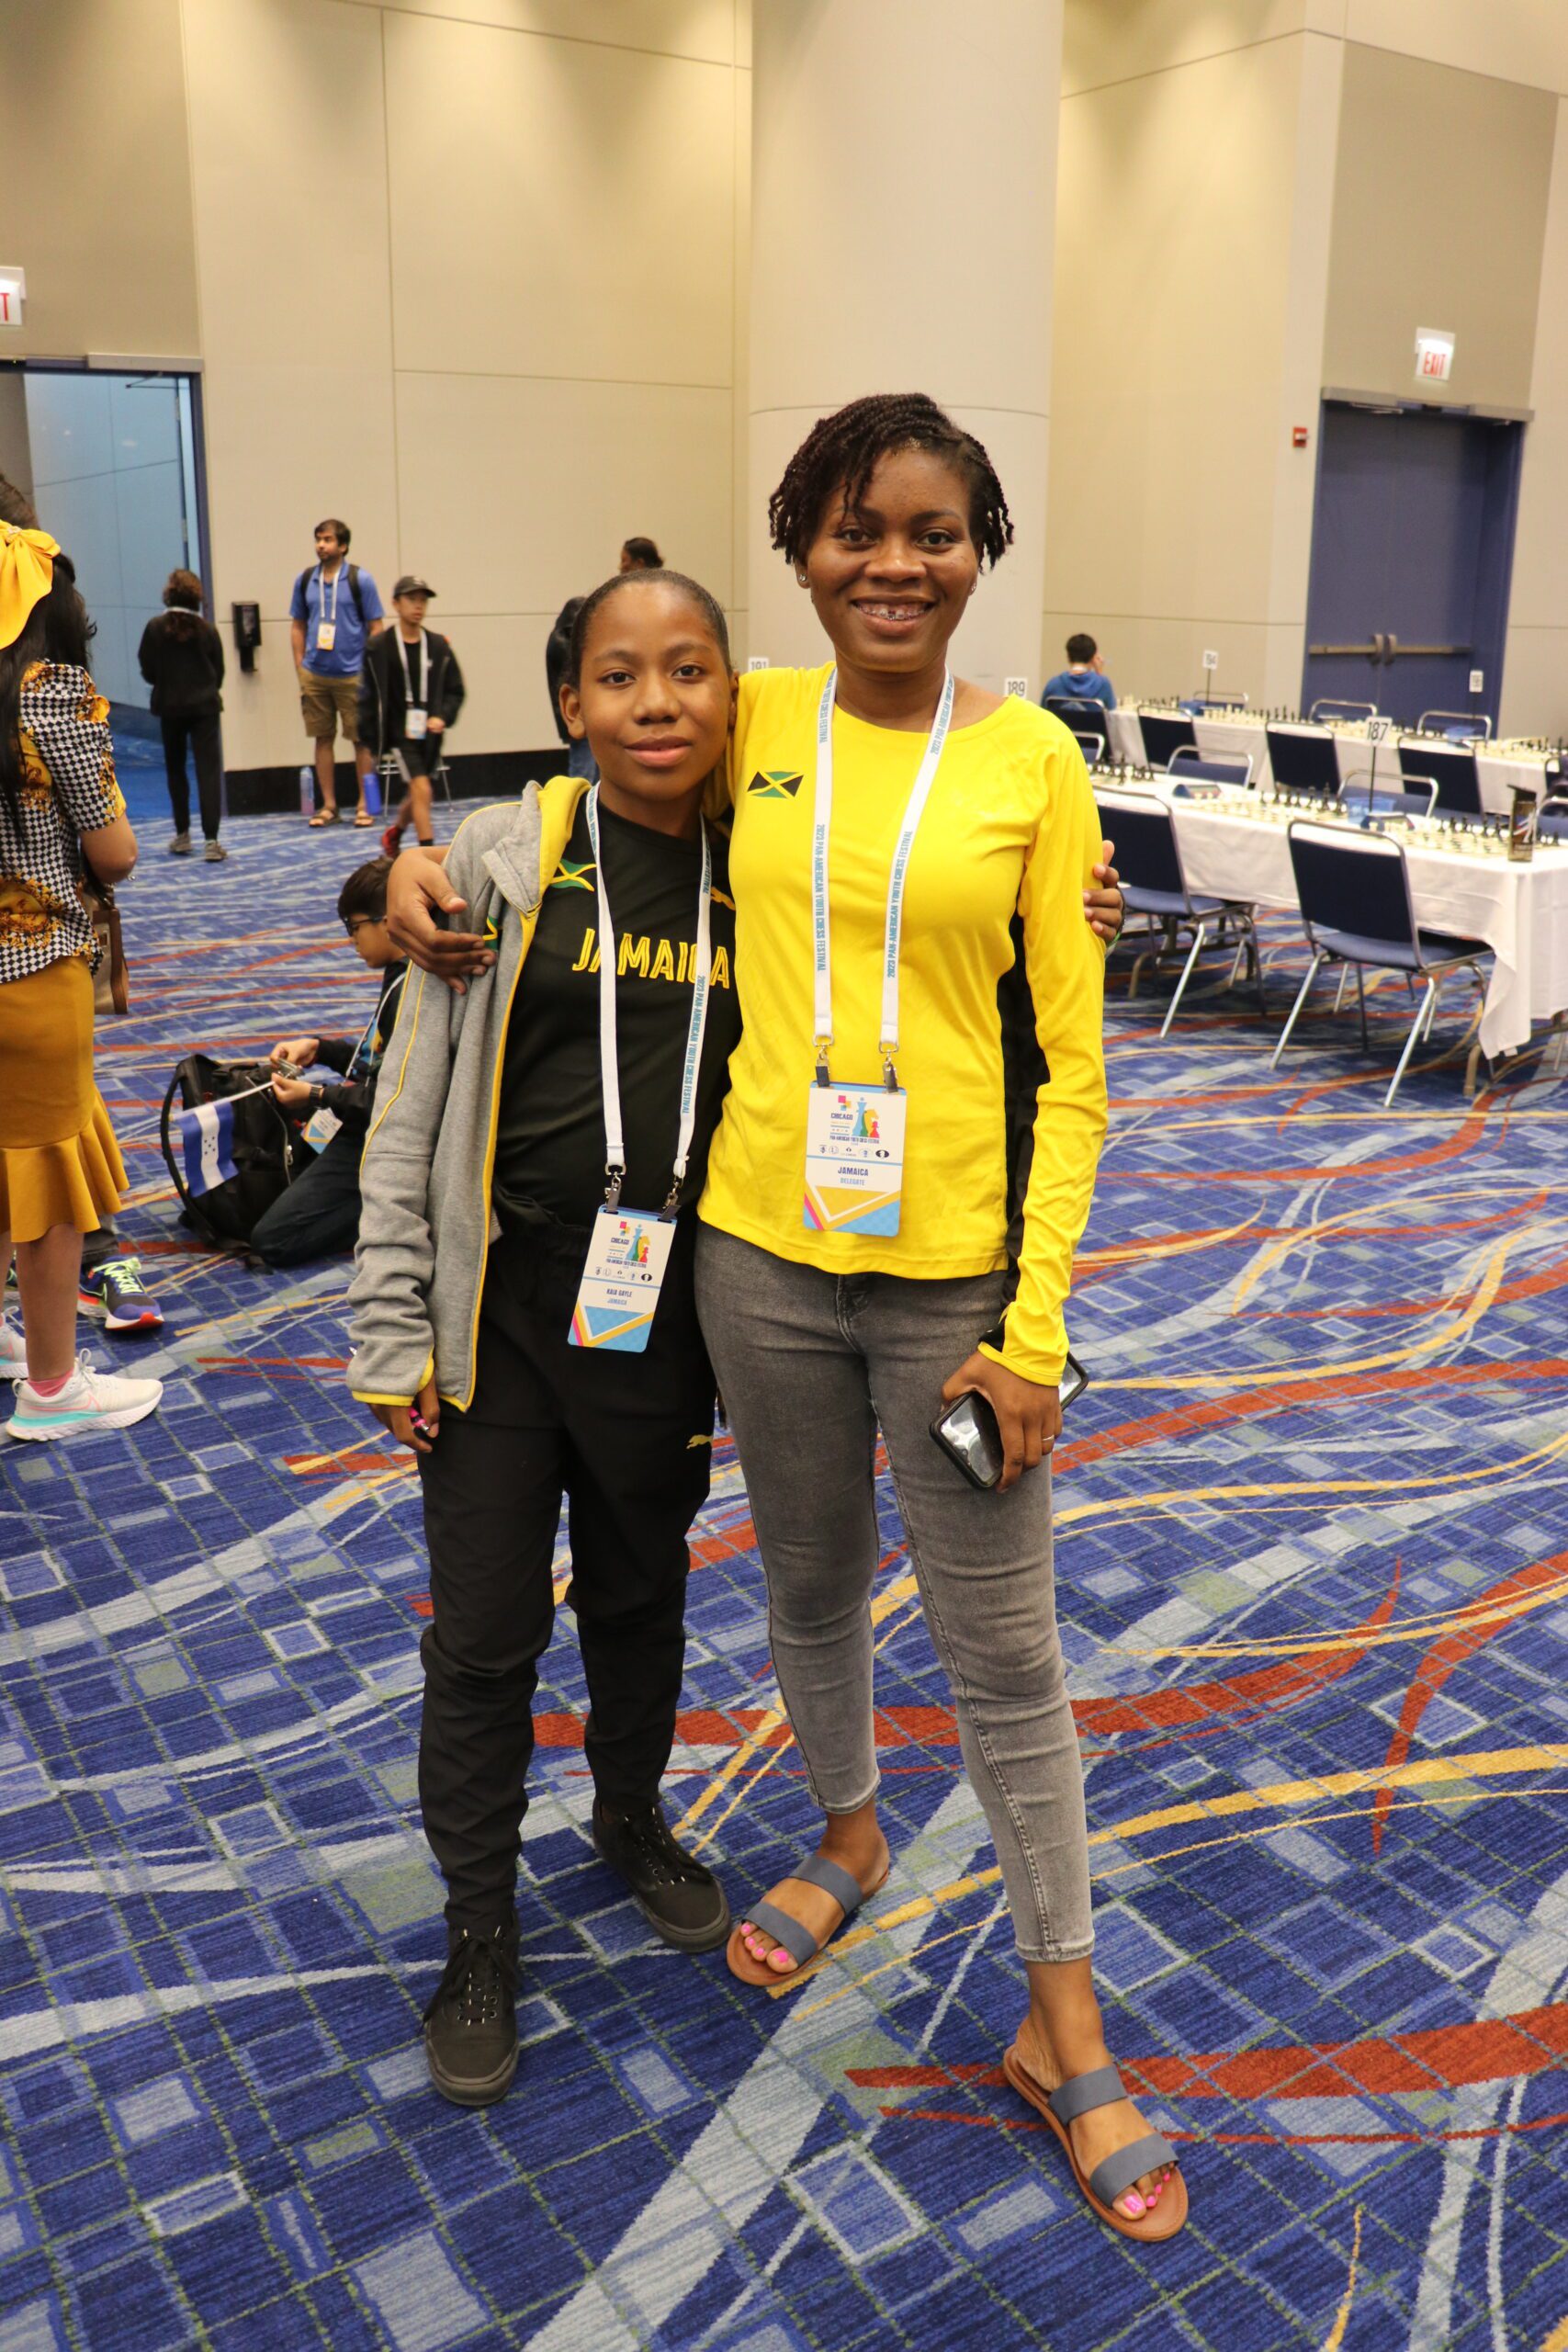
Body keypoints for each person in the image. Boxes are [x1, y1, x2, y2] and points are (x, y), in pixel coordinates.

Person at [346, 570, 745, 2108]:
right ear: (570, 703)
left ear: (730, 694)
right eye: (619, 676)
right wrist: (392, 1327)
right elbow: (413, 1112)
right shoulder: (506, 862)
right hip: (498, 1330)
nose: (657, 703)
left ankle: (627, 1814)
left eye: (689, 670)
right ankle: (476, 1926)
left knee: (643, 1605)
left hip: (660, 1335)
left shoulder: (760, 874)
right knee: (488, 1638)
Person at [0, 520, 163, 1439]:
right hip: (31, 969)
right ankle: (53, 1386)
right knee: (53, 1180)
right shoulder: (50, 696)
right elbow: (116, 853)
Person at [250, 858, 406, 1268]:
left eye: (354, 928)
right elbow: (378, 1061)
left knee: (274, 1239)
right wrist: (319, 1048)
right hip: (364, 1122)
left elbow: (396, 1100)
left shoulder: (415, 989)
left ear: (388, 921)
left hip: (384, 1139)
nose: (352, 940)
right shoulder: (401, 972)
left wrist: (315, 1095)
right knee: (284, 1171)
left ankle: (395, 1211)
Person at [289, 518, 385, 829]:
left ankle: (364, 805)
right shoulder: (305, 580)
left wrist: (371, 670)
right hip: (315, 674)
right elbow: (298, 626)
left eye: (328, 540)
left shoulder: (361, 581)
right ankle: (328, 805)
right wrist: (301, 668)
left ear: (342, 546)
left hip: (353, 674)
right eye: (318, 539)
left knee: (361, 741)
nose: (321, 545)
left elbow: (376, 628)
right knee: (322, 738)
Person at [361, 576, 465, 856]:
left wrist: (442, 716)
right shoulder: (379, 647)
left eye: (423, 600)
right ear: (395, 604)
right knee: (421, 787)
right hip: (398, 733)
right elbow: (368, 695)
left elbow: (456, 690)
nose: (418, 606)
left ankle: (395, 832)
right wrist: (369, 737)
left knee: (421, 792)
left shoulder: (438, 647)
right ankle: (426, 854)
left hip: (429, 734)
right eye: (411, 599)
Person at [139, 569, 227, 861]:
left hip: (170, 708)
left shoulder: (154, 628)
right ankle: (212, 841)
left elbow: (148, 668)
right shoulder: (207, 630)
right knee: (208, 771)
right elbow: (219, 671)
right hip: (205, 708)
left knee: (176, 770)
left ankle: (182, 835)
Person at [1042, 631, 1116, 712]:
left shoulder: (1054, 684)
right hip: (1090, 725)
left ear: (1068, 657)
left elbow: (1042, 712)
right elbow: (1111, 711)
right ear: (1092, 659)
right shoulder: (1103, 683)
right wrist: (1099, 673)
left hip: (1061, 725)